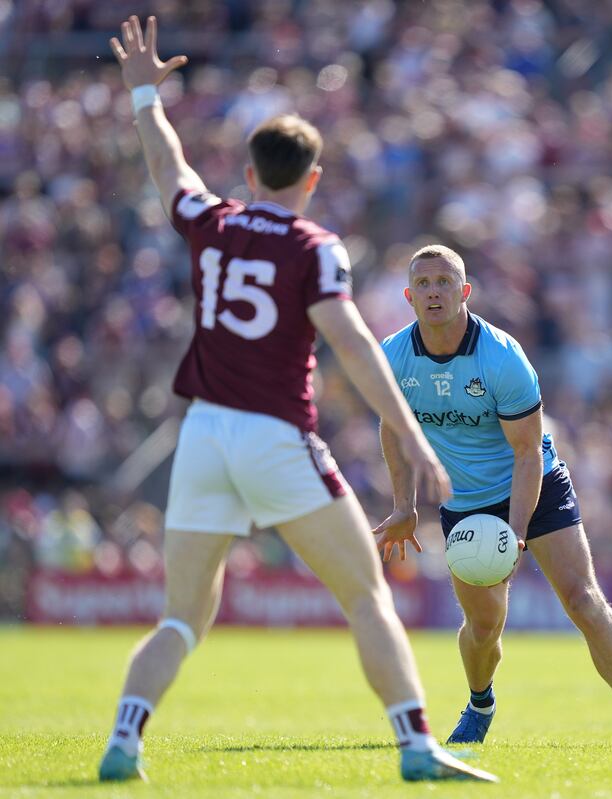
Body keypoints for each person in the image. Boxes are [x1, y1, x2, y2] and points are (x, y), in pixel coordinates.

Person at [99, 16, 497, 784]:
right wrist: (410, 434)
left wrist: (145, 89)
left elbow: (167, 163)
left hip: (203, 435)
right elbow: (348, 340)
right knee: (365, 595)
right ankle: (417, 747)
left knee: (182, 614)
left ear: (249, 174)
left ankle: (124, 737)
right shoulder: (314, 247)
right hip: (277, 435)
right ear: (312, 180)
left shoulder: (211, 222)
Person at [375, 244, 612, 753]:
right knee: (484, 624)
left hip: (534, 482)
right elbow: (393, 431)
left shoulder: (502, 357)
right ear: (408, 296)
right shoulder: (393, 357)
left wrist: (515, 530)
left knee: (582, 599)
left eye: (444, 282)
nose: (433, 292)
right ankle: (480, 703)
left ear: (464, 291)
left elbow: (528, 453)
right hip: (466, 500)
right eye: (422, 284)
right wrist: (405, 507)